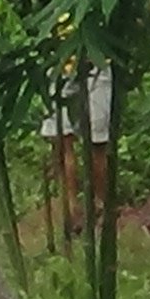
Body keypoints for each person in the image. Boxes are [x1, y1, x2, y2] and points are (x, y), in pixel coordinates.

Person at [41, 60, 113, 244]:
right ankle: (88, 208)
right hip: (78, 61)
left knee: (70, 143)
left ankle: (81, 209)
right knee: (91, 144)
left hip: (71, 59)